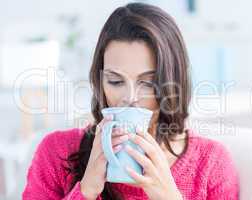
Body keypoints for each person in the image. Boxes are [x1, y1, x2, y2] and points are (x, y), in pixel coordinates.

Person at [23, 2, 239, 200]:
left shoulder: (211, 163)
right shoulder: (56, 152)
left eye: (148, 83)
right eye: (115, 81)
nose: (130, 99)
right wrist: (86, 190)